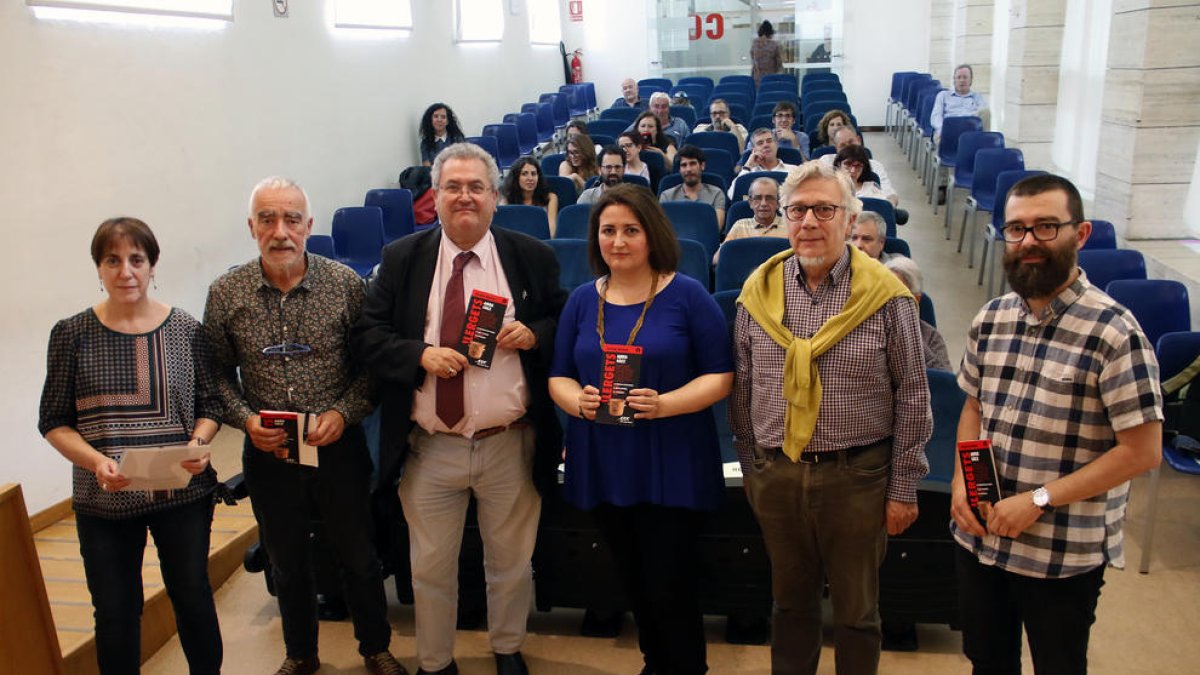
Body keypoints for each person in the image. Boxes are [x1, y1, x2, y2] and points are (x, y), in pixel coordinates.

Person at [350, 142, 566, 675]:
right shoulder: (402, 258)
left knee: (511, 564)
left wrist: (534, 334)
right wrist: (419, 354)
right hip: (430, 446)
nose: (464, 197)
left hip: (509, 442)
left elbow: (569, 322)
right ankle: (434, 660)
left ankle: (508, 647)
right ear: (436, 197)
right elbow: (366, 336)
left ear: (495, 197)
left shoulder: (529, 256)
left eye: (476, 187)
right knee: (429, 568)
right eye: (453, 187)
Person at [952, 174, 1162, 675]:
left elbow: (1142, 451)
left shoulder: (1115, 333)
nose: (1028, 242)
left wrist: (1038, 500)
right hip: (982, 538)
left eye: (1046, 227)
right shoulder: (991, 318)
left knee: (1059, 665)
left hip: (1061, 552)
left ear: (1080, 234)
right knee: (987, 661)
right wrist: (966, 481)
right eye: (1016, 228)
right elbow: (975, 408)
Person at [730, 161, 932, 675]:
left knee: (857, 613)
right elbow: (744, 386)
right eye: (798, 210)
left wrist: (904, 486)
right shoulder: (759, 291)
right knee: (789, 604)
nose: (809, 222)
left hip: (858, 476)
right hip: (777, 472)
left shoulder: (886, 296)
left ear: (848, 219)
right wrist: (754, 468)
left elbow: (912, 393)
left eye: (825, 209)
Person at [204, 177, 405, 675]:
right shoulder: (226, 293)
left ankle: (376, 649)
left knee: (358, 554)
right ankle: (300, 656)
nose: (281, 231)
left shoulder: (344, 286)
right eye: (268, 219)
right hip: (269, 452)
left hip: (338, 446)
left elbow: (370, 369)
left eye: (292, 219)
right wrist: (247, 420)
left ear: (309, 226)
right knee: (287, 561)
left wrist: (343, 412)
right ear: (251, 227)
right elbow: (213, 376)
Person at [548, 184, 734, 675]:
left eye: (631, 230)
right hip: (604, 456)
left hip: (671, 455)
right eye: (608, 230)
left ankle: (688, 668)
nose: (619, 240)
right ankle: (656, 664)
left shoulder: (688, 294)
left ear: (651, 234)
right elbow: (559, 376)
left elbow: (722, 375)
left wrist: (666, 404)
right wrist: (578, 401)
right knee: (632, 577)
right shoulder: (583, 301)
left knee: (669, 580)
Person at [39, 218, 223, 675]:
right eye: (113, 260)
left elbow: (211, 404)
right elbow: (54, 421)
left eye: (136, 260)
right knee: (116, 612)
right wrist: (97, 462)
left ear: (153, 265)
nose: (126, 271)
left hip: (179, 493)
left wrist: (198, 444)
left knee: (193, 596)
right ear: (98, 269)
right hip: (103, 499)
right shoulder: (71, 334)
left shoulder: (185, 329)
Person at [884, 256, 951, 372]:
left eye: (896, 293)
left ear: (916, 299)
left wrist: (911, 333)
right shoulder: (865, 328)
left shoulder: (931, 337)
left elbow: (944, 381)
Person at [715, 176, 787, 263]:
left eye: (769, 198)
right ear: (750, 203)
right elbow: (717, 259)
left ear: (778, 203)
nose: (763, 203)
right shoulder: (740, 226)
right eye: (758, 198)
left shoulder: (789, 226)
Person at [821, 126, 899, 206]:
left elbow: (890, 194)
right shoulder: (826, 161)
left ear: (859, 140)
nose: (849, 148)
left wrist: (888, 208)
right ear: (836, 147)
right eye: (843, 145)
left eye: (851, 142)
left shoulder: (875, 166)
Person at [659, 144, 727, 229]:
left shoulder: (716, 194)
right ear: (679, 169)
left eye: (692, 164)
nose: (688, 169)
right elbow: (662, 228)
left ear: (702, 166)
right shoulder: (666, 196)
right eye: (684, 165)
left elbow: (716, 228)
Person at [500, 156, 559, 236]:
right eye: (524, 174)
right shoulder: (506, 201)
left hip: (542, 244)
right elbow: (502, 232)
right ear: (516, 177)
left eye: (534, 174)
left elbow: (551, 231)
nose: (530, 178)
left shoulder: (550, 198)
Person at [731, 128, 798, 198]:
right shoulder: (748, 172)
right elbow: (732, 195)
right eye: (760, 143)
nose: (766, 145)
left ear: (777, 144)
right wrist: (747, 166)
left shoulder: (794, 170)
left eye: (769, 141)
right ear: (754, 150)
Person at [931, 64, 987, 140]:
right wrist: (942, 130)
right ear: (954, 80)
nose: (962, 80)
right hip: (948, 131)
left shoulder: (977, 97)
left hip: (970, 131)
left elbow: (982, 114)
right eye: (959, 77)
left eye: (965, 77)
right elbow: (936, 116)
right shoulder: (943, 95)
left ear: (971, 80)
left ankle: (985, 140)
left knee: (986, 112)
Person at [626, 92, 690, 150]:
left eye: (664, 106)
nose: (660, 111)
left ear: (669, 108)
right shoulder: (642, 123)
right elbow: (622, 139)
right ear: (650, 108)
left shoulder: (680, 124)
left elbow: (689, 145)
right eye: (656, 106)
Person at [420, 103, 465, 167]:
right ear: (430, 120)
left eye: (443, 117)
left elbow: (463, 162)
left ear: (447, 121)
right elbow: (427, 166)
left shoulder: (457, 139)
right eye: (435, 116)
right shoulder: (425, 143)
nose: (439, 120)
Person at [750, 20, 783, 86]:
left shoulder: (755, 44)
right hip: (771, 80)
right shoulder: (775, 45)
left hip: (757, 80)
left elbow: (753, 59)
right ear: (770, 32)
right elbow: (779, 64)